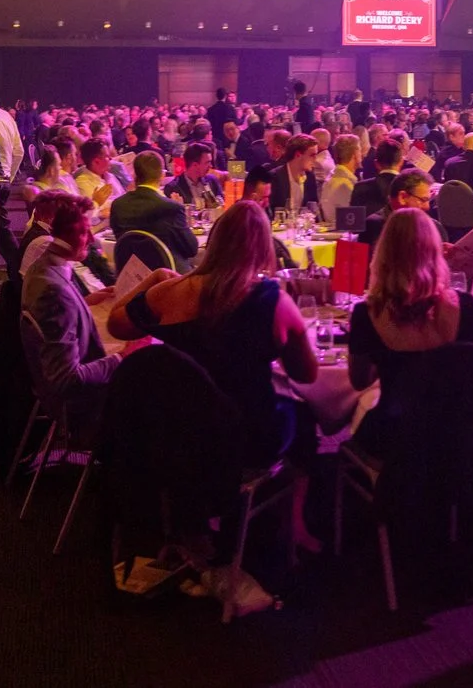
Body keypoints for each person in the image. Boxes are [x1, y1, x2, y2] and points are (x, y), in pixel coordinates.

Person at [108, 201, 321, 548]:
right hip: (241, 440)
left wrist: (155, 279)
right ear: (262, 247)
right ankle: (294, 524)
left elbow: (117, 324)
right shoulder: (271, 299)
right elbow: (307, 374)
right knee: (304, 413)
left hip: (173, 433)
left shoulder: (167, 294)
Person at [347, 209, 473, 456]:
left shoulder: (367, 314)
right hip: (455, 435)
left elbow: (359, 380)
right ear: (435, 252)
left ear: (383, 253)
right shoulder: (464, 305)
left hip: (395, 437)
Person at [18, 193, 154, 437]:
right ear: (62, 233)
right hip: (83, 409)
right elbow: (67, 379)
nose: (91, 238)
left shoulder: (43, 268)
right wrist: (122, 357)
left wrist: (84, 301)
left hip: (59, 395)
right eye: (84, 231)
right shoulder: (54, 292)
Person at [110, 152, 200, 267]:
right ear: (162, 176)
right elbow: (191, 249)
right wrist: (183, 216)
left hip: (132, 275)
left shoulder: (118, 205)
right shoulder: (171, 208)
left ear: (135, 175)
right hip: (168, 277)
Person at [164, 143, 226, 211]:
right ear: (195, 165)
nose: (211, 166)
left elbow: (222, 206)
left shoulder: (212, 181)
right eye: (207, 162)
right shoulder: (173, 188)